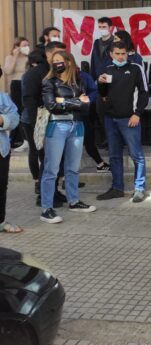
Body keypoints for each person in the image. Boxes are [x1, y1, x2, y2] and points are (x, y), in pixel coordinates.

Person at [40, 51, 96, 224]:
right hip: (57, 126)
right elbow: (51, 106)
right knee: (52, 169)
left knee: (73, 167)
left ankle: (74, 200)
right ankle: (46, 208)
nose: (56, 64)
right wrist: (76, 101)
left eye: (59, 60)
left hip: (77, 125)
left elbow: (87, 107)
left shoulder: (78, 80)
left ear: (68, 62)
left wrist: (63, 101)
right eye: (54, 61)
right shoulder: (49, 82)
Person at [96, 42, 149, 203]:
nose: (121, 56)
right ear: (111, 54)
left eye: (123, 53)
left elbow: (144, 93)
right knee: (114, 156)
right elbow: (103, 95)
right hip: (110, 119)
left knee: (136, 155)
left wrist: (137, 113)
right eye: (117, 53)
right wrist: (100, 84)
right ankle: (117, 188)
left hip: (129, 119)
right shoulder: (106, 69)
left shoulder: (135, 68)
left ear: (127, 53)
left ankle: (139, 189)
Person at [21, 42, 67, 205]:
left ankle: (54, 191)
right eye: (59, 53)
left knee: (55, 159)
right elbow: (29, 100)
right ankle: (44, 196)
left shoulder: (58, 71)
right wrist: (38, 126)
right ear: (49, 55)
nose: (63, 57)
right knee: (47, 159)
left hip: (55, 120)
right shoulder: (34, 74)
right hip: (36, 122)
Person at [0, 65, 23, 233]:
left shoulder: (3, 97)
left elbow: (15, 118)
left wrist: (2, 120)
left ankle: (0, 221)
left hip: (1, 150)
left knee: (1, 186)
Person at [79, 67, 110, 173]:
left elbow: (94, 92)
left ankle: (100, 163)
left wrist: (86, 100)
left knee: (88, 140)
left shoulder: (83, 76)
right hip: (66, 118)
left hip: (83, 115)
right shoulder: (54, 78)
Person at [91, 17, 115, 149]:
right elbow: (93, 62)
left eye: (104, 27)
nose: (102, 29)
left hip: (112, 81)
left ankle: (113, 138)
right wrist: (92, 78)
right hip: (99, 82)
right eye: (99, 27)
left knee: (112, 109)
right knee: (101, 110)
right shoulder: (96, 43)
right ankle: (106, 137)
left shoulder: (115, 42)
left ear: (110, 27)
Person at [4, 36, 30, 150]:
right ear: (17, 46)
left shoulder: (29, 58)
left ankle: (26, 139)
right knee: (17, 110)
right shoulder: (10, 57)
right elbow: (8, 71)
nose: (27, 47)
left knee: (26, 110)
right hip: (16, 85)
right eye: (24, 45)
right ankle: (17, 140)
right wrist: (15, 56)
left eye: (27, 45)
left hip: (27, 85)